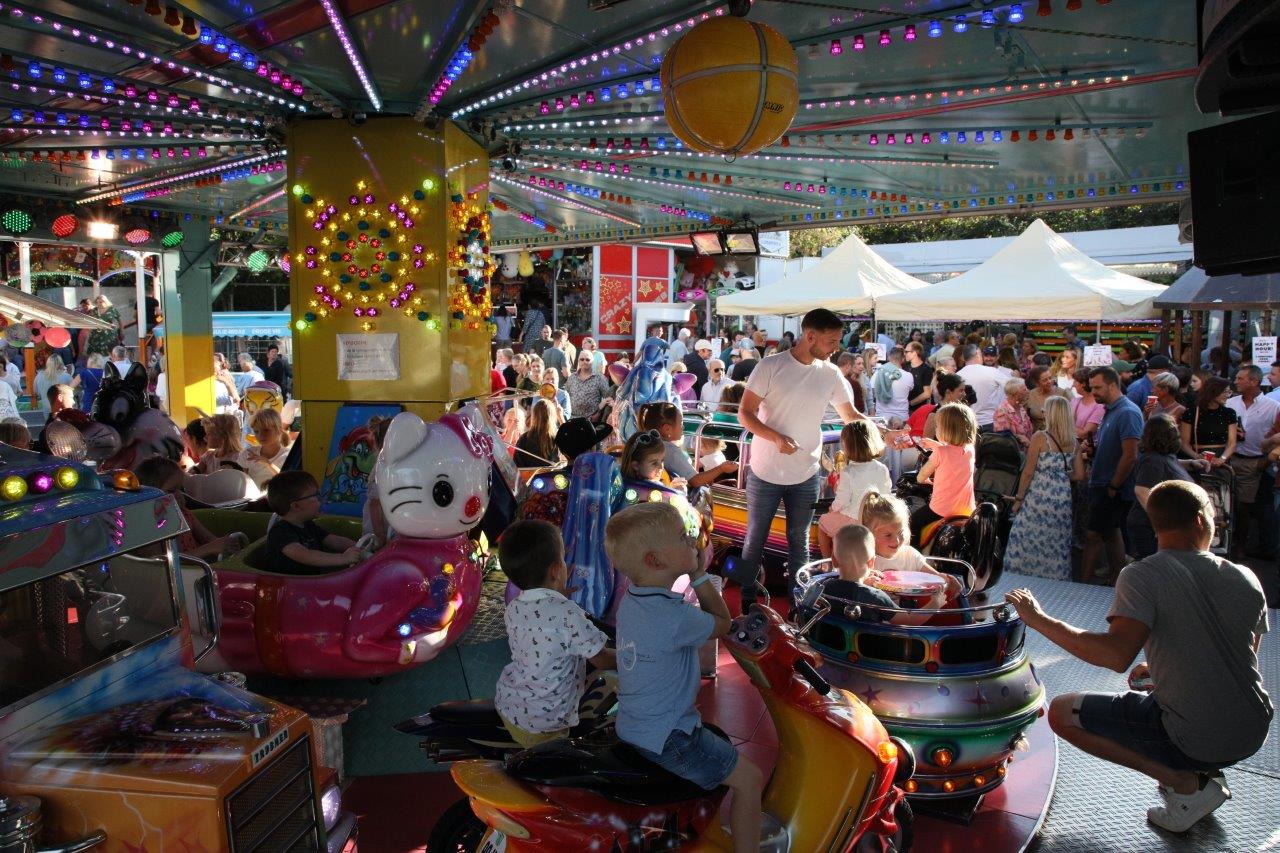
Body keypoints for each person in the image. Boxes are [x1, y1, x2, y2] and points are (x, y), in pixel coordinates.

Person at [1006, 480, 1271, 833]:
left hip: (1198, 737)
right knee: (1175, 705)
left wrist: (1038, 618)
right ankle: (1202, 772)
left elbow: (1115, 655)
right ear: (1199, 520)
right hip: (1253, 729)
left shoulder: (1142, 575)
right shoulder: (1245, 577)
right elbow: (1241, 654)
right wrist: (1163, 665)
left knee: (1062, 713)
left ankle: (1184, 783)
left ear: (1156, 524)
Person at [607, 502, 763, 852]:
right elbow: (722, 623)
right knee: (751, 779)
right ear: (655, 561)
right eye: (682, 537)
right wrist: (699, 575)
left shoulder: (632, 601)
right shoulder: (674, 616)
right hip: (670, 736)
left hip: (637, 725)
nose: (692, 541)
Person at [733, 309, 866, 611]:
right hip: (765, 470)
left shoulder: (831, 373)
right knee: (754, 539)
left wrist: (882, 431)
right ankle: (746, 601)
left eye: (838, 341)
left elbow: (851, 416)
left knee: (800, 540)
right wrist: (776, 437)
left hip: (806, 471)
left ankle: (799, 605)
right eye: (832, 341)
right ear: (810, 336)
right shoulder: (770, 365)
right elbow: (745, 413)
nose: (836, 348)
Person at [493, 519, 615, 746]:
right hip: (545, 727)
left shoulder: (514, 607)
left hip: (510, 705)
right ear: (556, 570)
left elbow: (545, 626)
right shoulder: (567, 613)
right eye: (563, 558)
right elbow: (601, 659)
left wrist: (558, 598)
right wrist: (633, 657)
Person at [1005, 396, 1079, 580]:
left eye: (1046, 409)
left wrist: (1018, 499)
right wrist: (1060, 475)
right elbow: (1080, 476)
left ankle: (1019, 577)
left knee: (1024, 536)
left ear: (1051, 414)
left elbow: (1028, 472)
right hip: (1062, 497)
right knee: (1057, 541)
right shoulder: (1074, 441)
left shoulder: (1040, 437)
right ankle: (1055, 580)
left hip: (1038, 496)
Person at [1083, 367, 1144, 583]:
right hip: (1103, 482)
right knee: (1110, 532)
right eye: (1092, 388)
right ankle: (1115, 579)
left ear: (1112, 385)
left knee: (1096, 534)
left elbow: (1130, 455)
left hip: (1111, 485)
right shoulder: (1111, 410)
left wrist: (1114, 485)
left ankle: (1085, 581)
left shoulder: (1127, 412)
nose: (1093, 392)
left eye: (1097, 388)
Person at [822, 524, 941, 625]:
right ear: (871, 562)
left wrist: (864, 583)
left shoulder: (826, 586)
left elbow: (850, 590)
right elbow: (909, 620)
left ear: (834, 560)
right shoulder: (876, 597)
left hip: (832, 642)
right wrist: (935, 604)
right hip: (873, 643)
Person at [136, 456, 245, 561]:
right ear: (149, 494)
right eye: (172, 490)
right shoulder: (146, 527)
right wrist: (208, 549)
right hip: (180, 573)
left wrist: (225, 544)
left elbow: (209, 539)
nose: (179, 495)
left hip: (197, 569)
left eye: (180, 489)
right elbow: (159, 562)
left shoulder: (185, 514)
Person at [1224, 365, 1279, 559]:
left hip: (1256, 462)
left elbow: (1275, 435)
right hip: (1231, 459)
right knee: (1227, 504)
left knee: (1245, 507)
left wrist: (1266, 460)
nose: (1236, 381)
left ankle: (1240, 545)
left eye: (1240, 378)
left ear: (1254, 381)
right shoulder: (1230, 403)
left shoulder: (1273, 406)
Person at [858, 492, 962, 594]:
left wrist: (946, 579)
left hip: (910, 604)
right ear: (870, 535)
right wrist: (866, 583)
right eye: (888, 535)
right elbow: (854, 588)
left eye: (900, 532)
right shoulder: (864, 561)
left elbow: (935, 577)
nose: (897, 540)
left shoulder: (910, 555)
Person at [817, 420, 892, 558]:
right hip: (875, 518)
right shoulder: (882, 468)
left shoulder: (848, 472)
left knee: (822, 523)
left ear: (848, 446)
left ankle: (827, 561)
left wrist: (833, 508)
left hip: (852, 519)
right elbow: (887, 493)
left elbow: (842, 500)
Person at [1127, 414, 1196, 560]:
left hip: (1159, 526)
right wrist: (1160, 523)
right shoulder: (1152, 460)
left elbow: (1169, 464)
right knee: (1155, 566)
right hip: (1149, 527)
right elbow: (1141, 490)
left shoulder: (1163, 455)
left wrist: (1191, 463)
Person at [264, 471, 360, 574]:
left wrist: (359, 547)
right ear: (296, 506)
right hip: (288, 582)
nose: (321, 500)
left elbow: (335, 541)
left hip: (309, 580)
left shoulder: (308, 525)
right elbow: (304, 555)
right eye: (316, 495)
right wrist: (342, 558)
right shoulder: (280, 532)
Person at [910, 403, 977, 540]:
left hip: (942, 510)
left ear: (946, 429)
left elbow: (920, 477)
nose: (936, 429)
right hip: (966, 510)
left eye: (938, 426)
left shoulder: (940, 452)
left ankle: (915, 551)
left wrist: (925, 479)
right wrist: (936, 445)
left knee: (912, 523)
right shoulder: (970, 450)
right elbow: (953, 452)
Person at [638, 402, 736, 491]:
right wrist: (722, 468)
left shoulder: (642, 442)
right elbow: (695, 481)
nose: (683, 427)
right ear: (667, 429)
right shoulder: (668, 450)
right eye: (681, 423)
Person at [1178, 376, 1237, 467]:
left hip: (1222, 460)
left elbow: (1232, 443)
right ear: (1212, 391)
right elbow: (1184, 443)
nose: (1227, 395)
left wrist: (1222, 459)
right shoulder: (1191, 413)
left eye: (1229, 392)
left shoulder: (1229, 413)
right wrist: (1197, 457)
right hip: (1198, 461)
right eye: (1224, 392)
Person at [957, 344, 1007, 431]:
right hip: (989, 422)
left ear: (963, 358)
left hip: (966, 422)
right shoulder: (992, 371)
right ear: (978, 354)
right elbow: (1012, 387)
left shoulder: (957, 376)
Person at [241, 408, 293, 488]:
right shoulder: (248, 454)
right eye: (256, 431)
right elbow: (241, 481)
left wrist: (269, 464)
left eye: (266, 430)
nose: (261, 435)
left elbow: (289, 481)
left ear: (278, 430)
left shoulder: (288, 455)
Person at [514, 398, 562, 468]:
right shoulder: (557, 438)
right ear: (552, 416)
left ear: (534, 415)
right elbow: (571, 455)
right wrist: (561, 417)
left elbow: (517, 466)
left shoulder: (524, 438)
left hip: (529, 475)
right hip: (552, 474)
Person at [872, 347, 913, 426]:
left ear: (888, 357)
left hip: (882, 418)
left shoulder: (878, 373)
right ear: (903, 359)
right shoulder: (909, 376)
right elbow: (910, 389)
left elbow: (873, 393)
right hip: (902, 418)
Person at [923, 373, 969, 441]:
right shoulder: (933, 416)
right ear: (948, 392)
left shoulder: (962, 412)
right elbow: (927, 443)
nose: (964, 394)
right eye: (961, 390)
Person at [565, 351, 610, 419]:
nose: (584, 362)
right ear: (578, 361)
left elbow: (608, 398)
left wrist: (599, 412)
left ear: (592, 361)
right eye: (582, 359)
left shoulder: (600, 378)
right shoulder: (572, 377)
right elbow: (566, 396)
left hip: (592, 419)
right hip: (572, 418)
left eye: (587, 359)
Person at [1025, 365, 1067, 432]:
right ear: (1037, 383)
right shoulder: (1030, 395)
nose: (1049, 381)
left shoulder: (1062, 393)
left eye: (1050, 378)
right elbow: (1025, 416)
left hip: (1059, 432)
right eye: (1045, 380)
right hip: (1038, 433)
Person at [993, 377, 1033, 448]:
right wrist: (1019, 438)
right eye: (1024, 390)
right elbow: (1002, 437)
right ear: (1016, 395)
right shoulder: (1002, 411)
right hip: (1013, 452)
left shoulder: (1020, 408)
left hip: (1027, 451)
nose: (1028, 391)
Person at [1070, 367, 1105, 443]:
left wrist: (1065, 427)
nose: (1073, 385)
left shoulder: (1099, 406)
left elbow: (1085, 434)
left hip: (1087, 448)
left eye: (1075, 381)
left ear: (1083, 384)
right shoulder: (1075, 401)